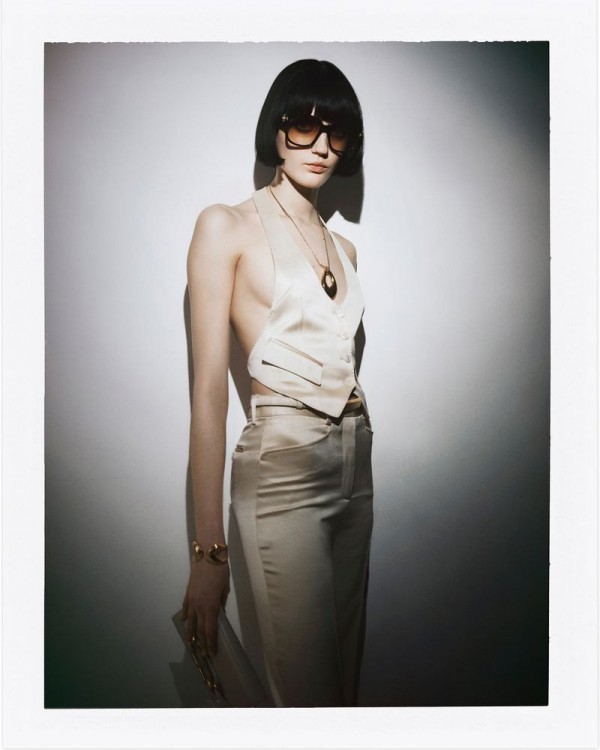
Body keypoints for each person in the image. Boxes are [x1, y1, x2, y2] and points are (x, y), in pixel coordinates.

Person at [181, 59, 374, 707]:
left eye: (336, 132)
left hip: (357, 466)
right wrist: (208, 554)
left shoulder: (345, 251)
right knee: (307, 696)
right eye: (303, 126)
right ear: (276, 129)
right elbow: (209, 395)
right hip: (283, 467)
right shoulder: (225, 226)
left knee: (343, 691)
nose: (320, 146)